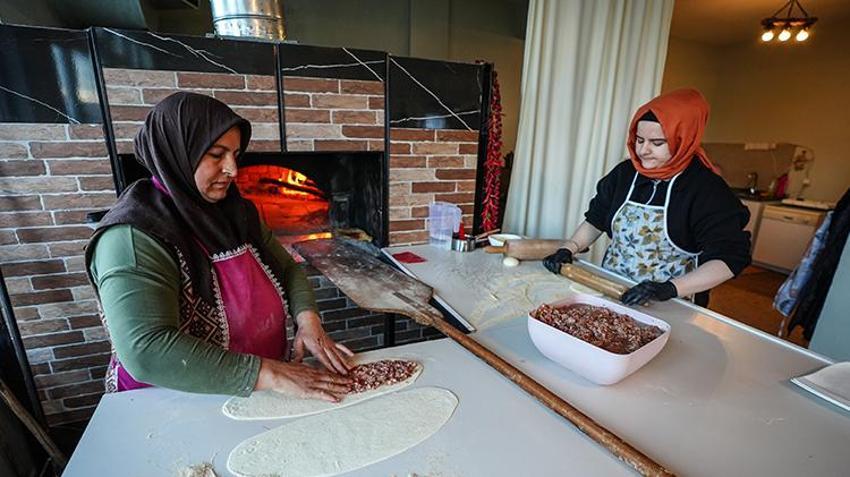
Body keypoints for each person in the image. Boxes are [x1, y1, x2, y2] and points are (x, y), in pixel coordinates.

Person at [85, 92, 353, 402]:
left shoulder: (235, 211)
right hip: (170, 404)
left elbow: (288, 268)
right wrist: (269, 373)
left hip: (258, 389)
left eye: (235, 155)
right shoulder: (132, 236)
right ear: (176, 152)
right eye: (216, 154)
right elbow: (147, 350)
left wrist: (308, 321)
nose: (233, 170)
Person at [543, 89, 751, 306]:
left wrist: (669, 288)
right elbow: (596, 219)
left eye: (657, 143)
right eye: (639, 140)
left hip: (671, 302)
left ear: (683, 139)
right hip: (612, 288)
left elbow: (728, 258)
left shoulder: (706, 190)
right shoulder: (625, 174)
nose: (643, 150)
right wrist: (570, 248)